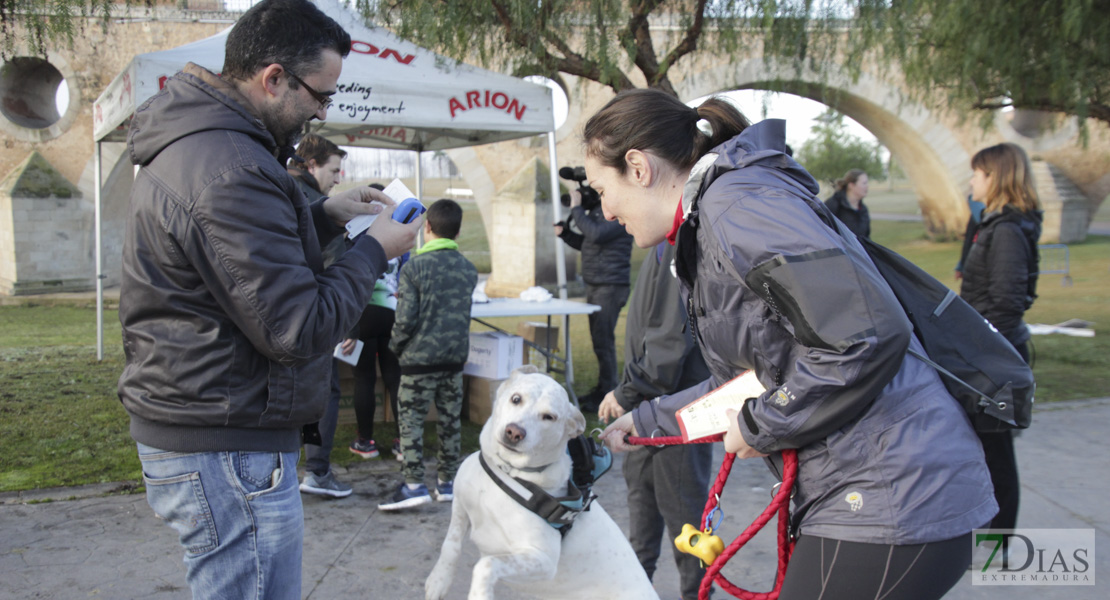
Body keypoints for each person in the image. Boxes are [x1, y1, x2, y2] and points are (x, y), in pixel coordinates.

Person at [593, 89, 997, 599]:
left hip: (891, 494)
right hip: (869, 491)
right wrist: (650, 420)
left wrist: (761, 424)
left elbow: (862, 337)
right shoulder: (719, 215)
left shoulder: (737, 208)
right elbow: (760, 378)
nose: (605, 211)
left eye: (602, 189)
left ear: (638, 167)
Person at [116, 1, 420, 597]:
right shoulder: (230, 167)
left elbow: (232, 264)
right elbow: (297, 327)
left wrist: (324, 216)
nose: (323, 112)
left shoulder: (212, 147)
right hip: (227, 440)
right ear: (274, 77)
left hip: (212, 423)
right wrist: (375, 251)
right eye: (320, 96)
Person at [597, 241, 712, 600]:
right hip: (644, 419)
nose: (608, 211)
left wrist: (625, 393)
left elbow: (668, 347)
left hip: (674, 420)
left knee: (689, 537)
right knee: (640, 539)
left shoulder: (677, 246)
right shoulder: (661, 245)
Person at [958, 142, 1042, 551]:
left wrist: (979, 354)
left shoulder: (1006, 230)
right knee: (985, 447)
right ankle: (987, 537)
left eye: (977, 173)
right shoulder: (994, 224)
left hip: (994, 360)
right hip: (988, 355)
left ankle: (995, 543)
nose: (971, 181)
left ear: (995, 177)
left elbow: (1006, 304)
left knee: (996, 452)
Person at [380, 199, 478, 510]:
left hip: (418, 362)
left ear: (427, 227)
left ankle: (414, 484)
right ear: (458, 232)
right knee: (450, 423)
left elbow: (406, 319)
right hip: (453, 360)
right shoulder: (468, 269)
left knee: (411, 424)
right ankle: (448, 483)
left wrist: (396, 346)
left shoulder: (414, 268)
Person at [288, 134, 355, 498]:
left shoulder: (280, 189)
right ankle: (317, 471)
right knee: (324, 389)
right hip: (312, 316)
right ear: (311, 165)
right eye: (334, 169)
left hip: (280, 316)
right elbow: (334, 267)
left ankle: (289, 468)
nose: (339, 178)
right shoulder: (314, 203)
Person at [554, 185, 634, 410]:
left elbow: (597, 234)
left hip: (610, 286)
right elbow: (589, 244)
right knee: (599, 341)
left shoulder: (617, 212)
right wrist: (566, 234)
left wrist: (577, 209)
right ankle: (604, 388)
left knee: (603, 342)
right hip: (597, 285)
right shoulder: (597, 213)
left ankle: (608, 392)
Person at [346, 250, 405, 461]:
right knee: (395, 377)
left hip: (363, 315)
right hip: (392, 311)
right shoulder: (398, 235)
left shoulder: (358, 239)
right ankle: (404, 442)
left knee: (364, 378)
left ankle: (365, 442)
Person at [823, 168, 871, 239]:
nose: (867, 186)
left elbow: (866, 237)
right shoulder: (833, 204)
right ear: (851, 185)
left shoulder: (863, 210)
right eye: (864, 183)